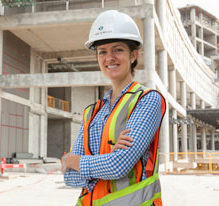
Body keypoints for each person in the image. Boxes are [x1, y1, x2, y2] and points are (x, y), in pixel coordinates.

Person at [61, 10, 166, 206]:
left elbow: (118, 166)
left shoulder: (147, 101)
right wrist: (106, 160)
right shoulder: (91, 112)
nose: (109, 57)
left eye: (117, 50)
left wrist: (74, 161)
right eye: (102, 51)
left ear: (133, 55)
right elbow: (70, 178)